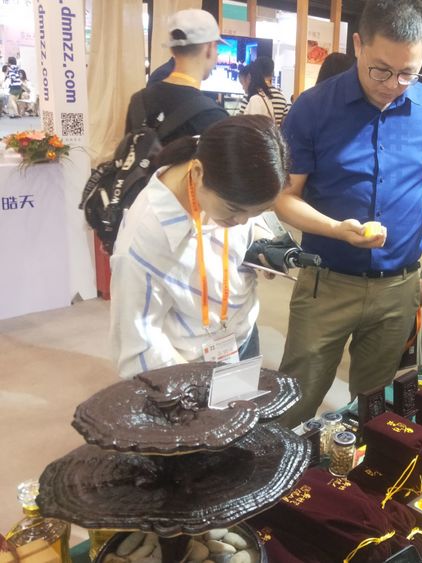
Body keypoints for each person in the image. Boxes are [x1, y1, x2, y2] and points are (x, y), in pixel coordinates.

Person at [275, 0, 422, 426]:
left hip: (399, 287)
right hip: (326, 283)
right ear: (358, 45)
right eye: (381, 70)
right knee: (295, 400)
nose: (393, 84)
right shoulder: (314, 107)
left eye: (408, 73)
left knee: (374, 409)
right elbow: (283, 197)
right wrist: (337, 229)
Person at [110, 115, 288, 379]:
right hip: (186, 365)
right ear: (197, 173)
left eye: (257, 211)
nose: (242, 222)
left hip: (243, 339)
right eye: (234, 210)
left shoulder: (226, 173)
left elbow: (251, 224)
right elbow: (138, 345)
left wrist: (263, 249)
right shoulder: (144, 238)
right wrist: (192, 385)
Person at [124, 9, 229, 145]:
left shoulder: (138, 101)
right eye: (217, 48)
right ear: (209, 48)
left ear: (172, 49)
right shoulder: (214, 117)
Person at [243, 56, 289, 127]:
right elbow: (284, 124)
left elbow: (241, 121)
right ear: (272, 73)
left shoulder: (252, 94)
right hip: (272, 133)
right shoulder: (281, 98)